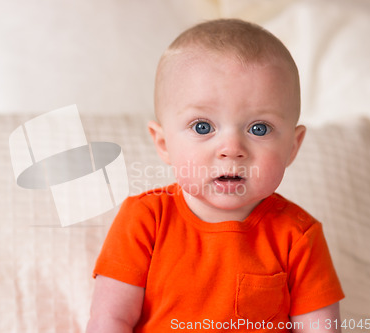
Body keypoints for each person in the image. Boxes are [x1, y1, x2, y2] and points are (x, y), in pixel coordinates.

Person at [86, 19, 344, 332]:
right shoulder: (145, 220)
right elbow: (109, 320)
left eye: (258, 128)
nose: (232, 149)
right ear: (164, 144)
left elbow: (320, 327)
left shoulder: (298, 236)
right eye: (203, 127)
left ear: (292, 146)